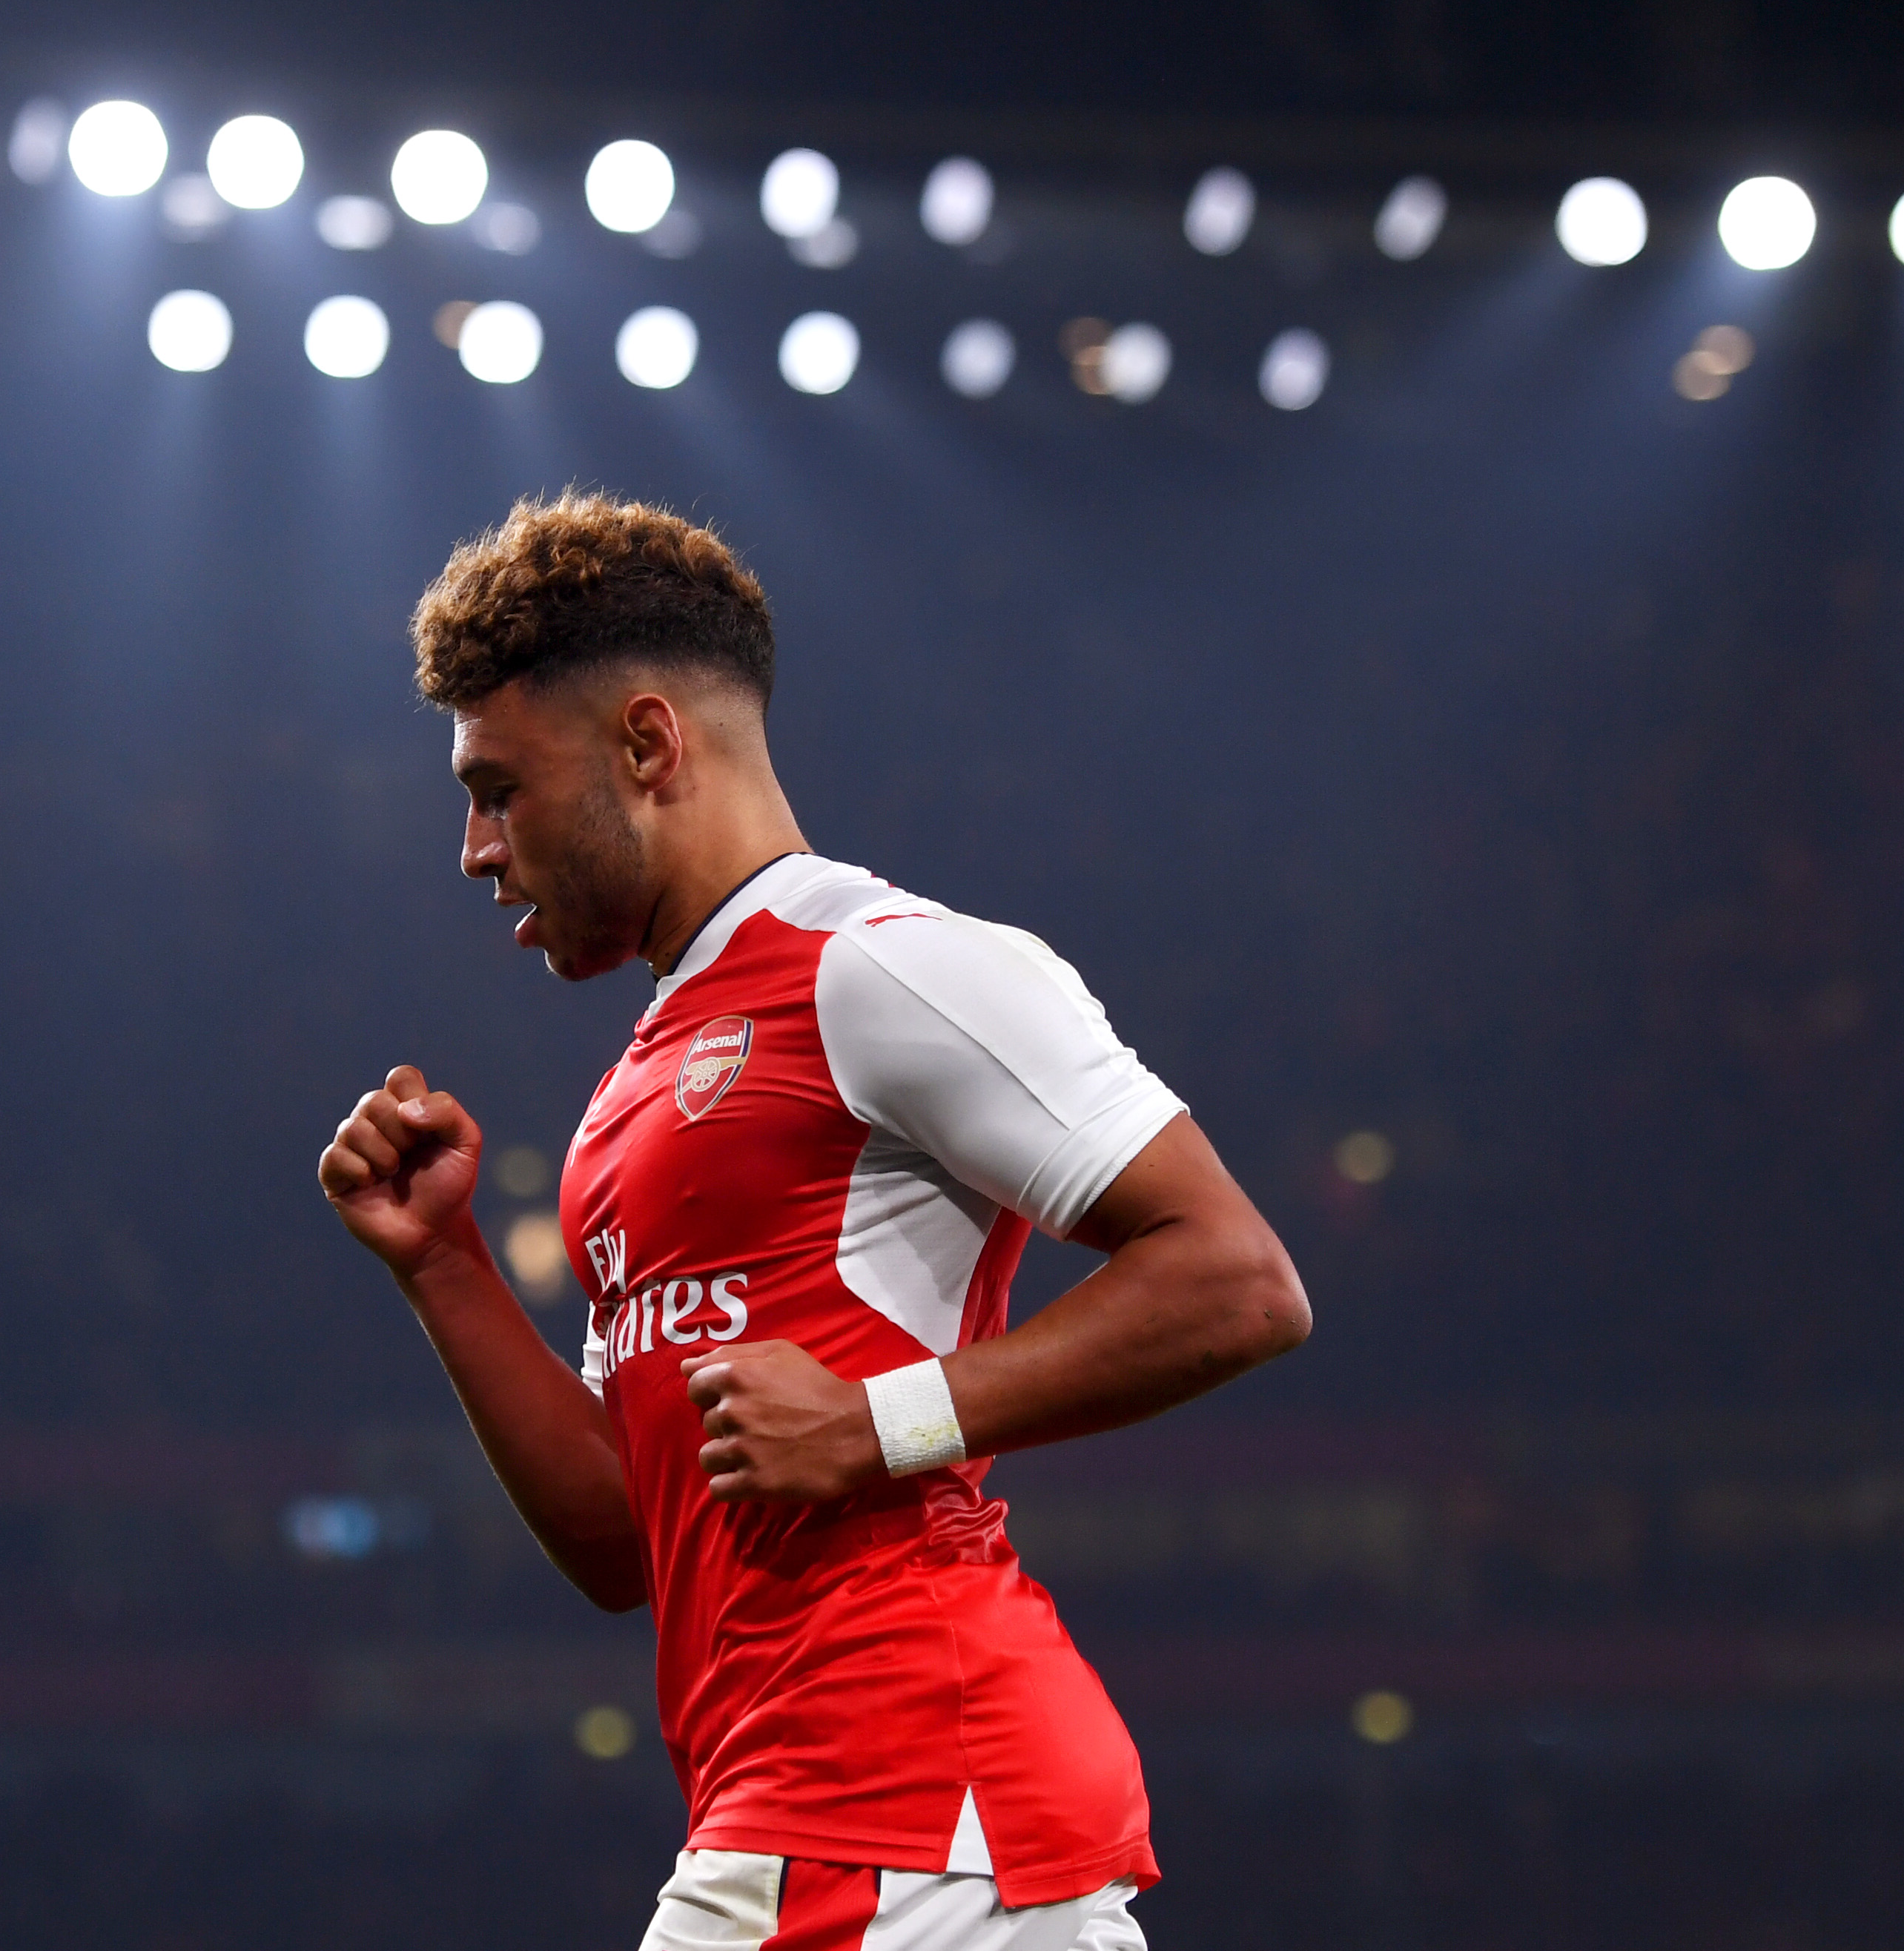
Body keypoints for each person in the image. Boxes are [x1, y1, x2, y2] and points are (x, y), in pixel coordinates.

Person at [318, 495, 1312, 1950]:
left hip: (899, 1807)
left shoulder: (884, 969)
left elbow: (1237, 1281)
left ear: (647, 747)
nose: (475, 850)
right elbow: (627, 1542)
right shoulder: (624, 1102)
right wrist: (446, 1271)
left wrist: (880, 1422)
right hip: (838, 1818)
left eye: (499, 789)